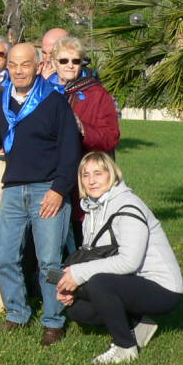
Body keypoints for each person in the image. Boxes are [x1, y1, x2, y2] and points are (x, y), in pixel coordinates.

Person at [0, 43, 81, 346]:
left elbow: (70, 151)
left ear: (38, 66)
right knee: (6, 256)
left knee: (49, 261)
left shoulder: (54, 102)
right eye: (14, 65)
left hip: (46, 190)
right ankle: (17, 314)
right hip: (13, 190)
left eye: (25, 65)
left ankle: (53, 321)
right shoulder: (3, 101)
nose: (19, 70)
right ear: (8, 67)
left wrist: (59, 190)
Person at [57, 152, 183, 364]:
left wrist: (78, 276)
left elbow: (129, 261)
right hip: (132, 282)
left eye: (98, 173)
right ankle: (138, 323)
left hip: (163, 288)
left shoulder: (128, 206)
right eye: (85, 174)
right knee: (77, 309)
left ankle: (125, 347)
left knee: (99, 284)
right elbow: (95, 257)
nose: (91, 180)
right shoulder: (92, 208)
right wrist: (71, 288)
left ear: (112, 175)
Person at [51, 35, 121, 244]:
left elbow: (111, 137)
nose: (70, 65)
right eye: (64, 60)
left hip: (83, 181)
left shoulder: (96, 93)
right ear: (54, 62)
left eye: (75, 60)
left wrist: (83, 129)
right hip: (50, 179)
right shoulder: (43, 92)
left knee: (82, 243)